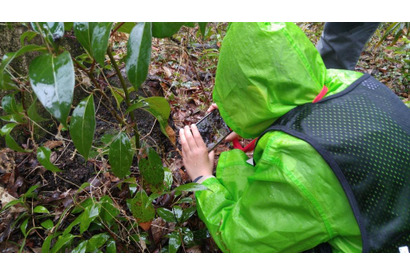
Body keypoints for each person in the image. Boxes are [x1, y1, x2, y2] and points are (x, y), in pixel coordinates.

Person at [179, 22, 410, 253]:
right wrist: (250, 122)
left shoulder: (294, 161)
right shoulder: (346, 79)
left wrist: (203, 177)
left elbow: (240, 240)